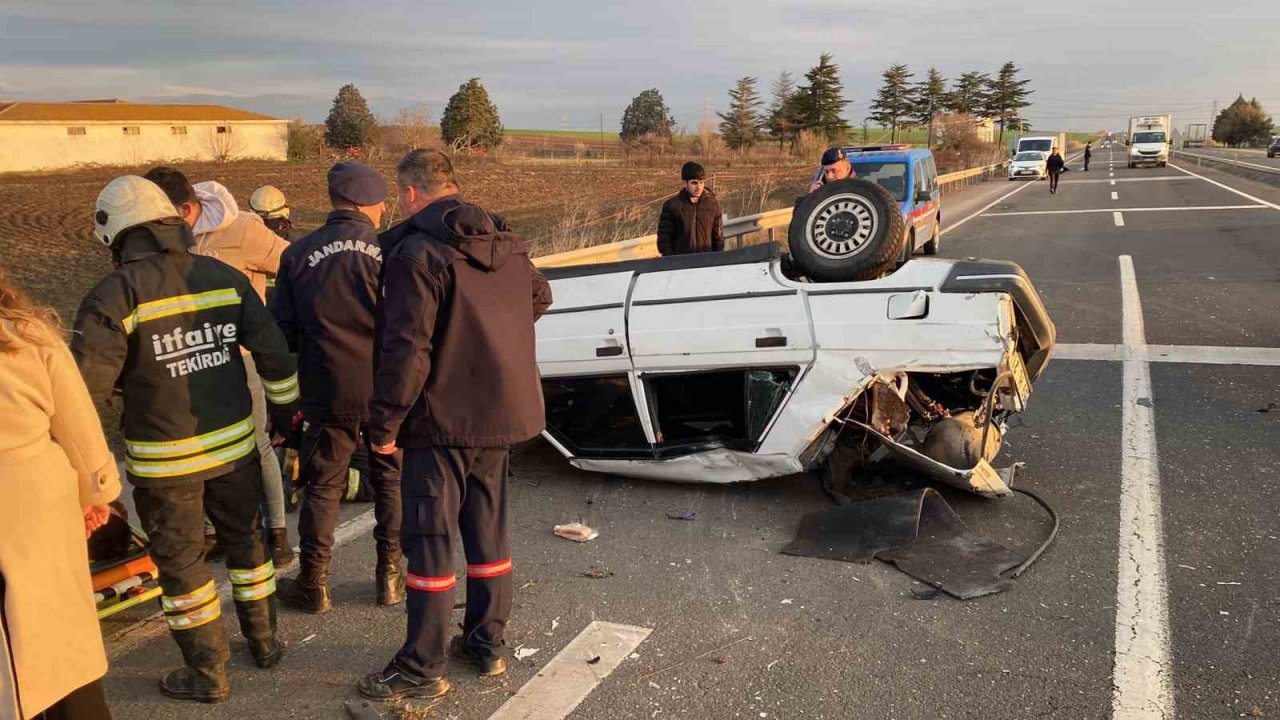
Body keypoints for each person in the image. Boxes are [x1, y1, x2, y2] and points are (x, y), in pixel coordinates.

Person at [72, 175, 300, 703]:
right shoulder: (220, 275)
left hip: (164, 464)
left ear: (120, 238)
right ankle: (264, 643)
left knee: (182, 564)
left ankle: (208, 673)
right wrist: (287, 413)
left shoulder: (112, 295)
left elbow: (85, 392)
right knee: (248, 543)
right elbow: (274, 354)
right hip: (235, 449)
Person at [357, 149, 552, 701]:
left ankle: (422, 665)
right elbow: (541, 295)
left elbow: (407, 349)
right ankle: (486, 644)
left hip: (441, 421)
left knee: (431, 538)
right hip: (499, 414)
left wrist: (385, 423)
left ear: (410, 193)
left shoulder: (416, 253)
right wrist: (488, 335)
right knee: (488, 531)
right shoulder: (506, 244)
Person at [143, 167, 294, 568]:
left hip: (239, 358)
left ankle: (276, 532)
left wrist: (272, 324)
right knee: (200, 450)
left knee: (256, 447)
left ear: (187, 207)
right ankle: (218, 532)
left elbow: (292, 265)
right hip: (183, 359)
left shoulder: (242, 229)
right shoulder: (151, 239)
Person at [273, 163, 404, 613]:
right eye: (382, 200)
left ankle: (314, 582)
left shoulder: (297, 254)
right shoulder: (390, 251)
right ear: (368, 202)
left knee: (323, 484)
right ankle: (389, 575)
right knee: (389, 478)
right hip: (385, 387)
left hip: (327, 388)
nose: (386, 207)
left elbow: (283, 331)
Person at [0, 271, 120, 719]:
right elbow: (77, 426)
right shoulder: (29, 334)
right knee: (61, 646)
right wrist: (95, 494)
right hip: (37, 501)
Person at [656, 162, 724, 256]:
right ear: (685, 183)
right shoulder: (672, 206)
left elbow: (718, 237)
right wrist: (672, 261)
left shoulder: (713, 204)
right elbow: (664, 239)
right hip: (681, 263)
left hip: (707, 262)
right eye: (694, 183)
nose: (699, 187)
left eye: (701, 182)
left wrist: (716, 259)